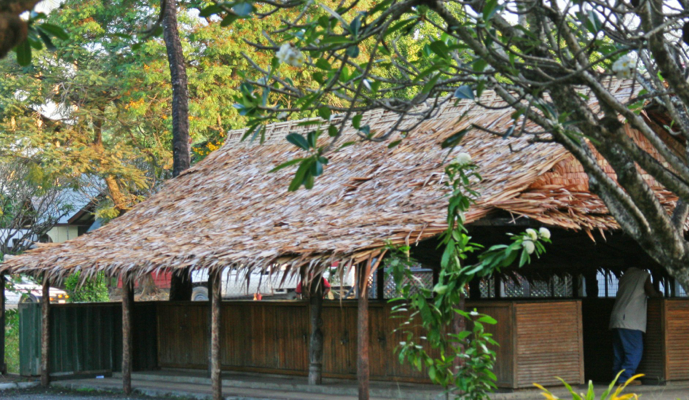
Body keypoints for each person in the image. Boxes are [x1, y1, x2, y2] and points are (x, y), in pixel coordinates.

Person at [609, 267, 662, 385]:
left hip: (616, 317)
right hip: (630, 319)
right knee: (635, 350)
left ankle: (616, 378)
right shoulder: (643, 275)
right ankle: (625, 378)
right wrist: (658, 294)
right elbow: (651, 292)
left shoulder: (624, 276)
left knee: (619, 352)